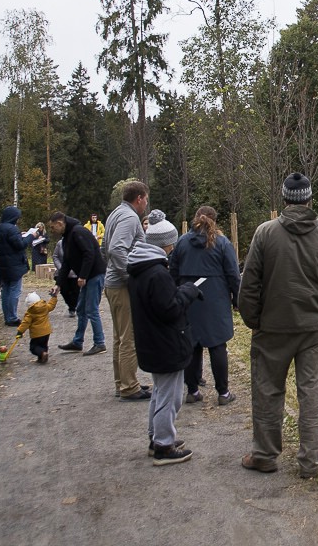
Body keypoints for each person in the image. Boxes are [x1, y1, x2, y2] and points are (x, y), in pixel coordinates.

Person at [238, 172, 318, 479]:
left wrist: (255, 321)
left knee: (267, 391)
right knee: (313, 395)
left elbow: (248, 286)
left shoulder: (264, 233)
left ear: (284, 199)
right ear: (310, 199)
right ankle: (311, 462)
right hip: (314, 332)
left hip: (272, 331)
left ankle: (264, 455)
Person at [128, 216, 203, 466]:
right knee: (171, 397)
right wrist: (188, 292)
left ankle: (156, 437)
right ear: (166, 245)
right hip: (165, 344)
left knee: (160, 393)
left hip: (151, 341)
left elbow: (160, 303)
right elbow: (169, 310)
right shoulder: (157, 273)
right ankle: (164, 445)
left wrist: (179, 291)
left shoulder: (140, 269)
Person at [171, 205, 240, 407]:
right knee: (218, 345)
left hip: (189, 300)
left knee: (191, 346)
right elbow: (233, 275)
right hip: (215, 301)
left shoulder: (182, 242)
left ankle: (192, 391)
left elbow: (172, 273)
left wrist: (176, 297)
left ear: (195, 219)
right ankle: (223, 393)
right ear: (214, 220)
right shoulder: (222, 243)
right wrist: (237, 300)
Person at [102, 182, 152, 401]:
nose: (146, 203)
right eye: (146, 199)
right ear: (139, 198)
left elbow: (106, 247)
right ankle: (129, 387)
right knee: (129, 336)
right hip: (121, 286)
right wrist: (130, 278)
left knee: (119, 337)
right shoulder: (130, 218)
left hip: (112, 283)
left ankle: (121, 382)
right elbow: (116, 248)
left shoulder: (116, 213)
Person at [49, 212, 107, 358]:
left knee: (91, 309)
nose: (52, 230)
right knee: (81, 308)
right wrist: (58, 284)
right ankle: (78, 341)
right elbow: (67, 263)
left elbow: (89, 254)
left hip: (95, 275)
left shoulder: (78, 232)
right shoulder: (68, 236)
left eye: (52, 227)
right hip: (88, 276)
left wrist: (82, 276)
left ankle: (100, 343)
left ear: (60, 224)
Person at [0, 206, 36, 326]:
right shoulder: (12, 229)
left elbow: (10, 242)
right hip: (14, 264)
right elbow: (20, 245)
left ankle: (7, 316)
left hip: (3, 264)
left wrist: (19, 235)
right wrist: (31, 236)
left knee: (6, 290)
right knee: (14, 291)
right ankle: (12, 317)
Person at [16, 289, 59, 363]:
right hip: (46, 331)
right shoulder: (45, 307)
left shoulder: (30, 312)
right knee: (43, 345)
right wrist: (54, 297)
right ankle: (42, 357)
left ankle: (42, 354)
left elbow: (25, 323)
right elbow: (51, 305)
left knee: (33, 347)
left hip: (37, 334)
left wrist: (20, 331)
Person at [52, 239, 79, 317]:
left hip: (75, 273)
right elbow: (55, 256)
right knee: (64, 291)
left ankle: (73, 308)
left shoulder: (78, 243)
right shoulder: (60, 243)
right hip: (62, 272)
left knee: (75, 292)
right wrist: (61, 268)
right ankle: (71, 306)